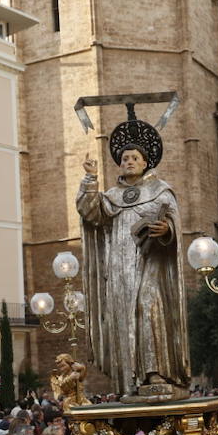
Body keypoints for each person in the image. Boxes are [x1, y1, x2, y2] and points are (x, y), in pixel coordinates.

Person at [76, 133, 190, 396]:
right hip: (119, 267)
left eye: (134, 158)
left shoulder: (160, 190)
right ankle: (129, 380)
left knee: (148, 305)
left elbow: (175, 221)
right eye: (125, 158)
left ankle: (155, 371)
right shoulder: (112, 195)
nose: (129, 162)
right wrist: (91, 178)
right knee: (123, 315)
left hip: (153, 262)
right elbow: (90, 211)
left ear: (145, 163)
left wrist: (167, 229)